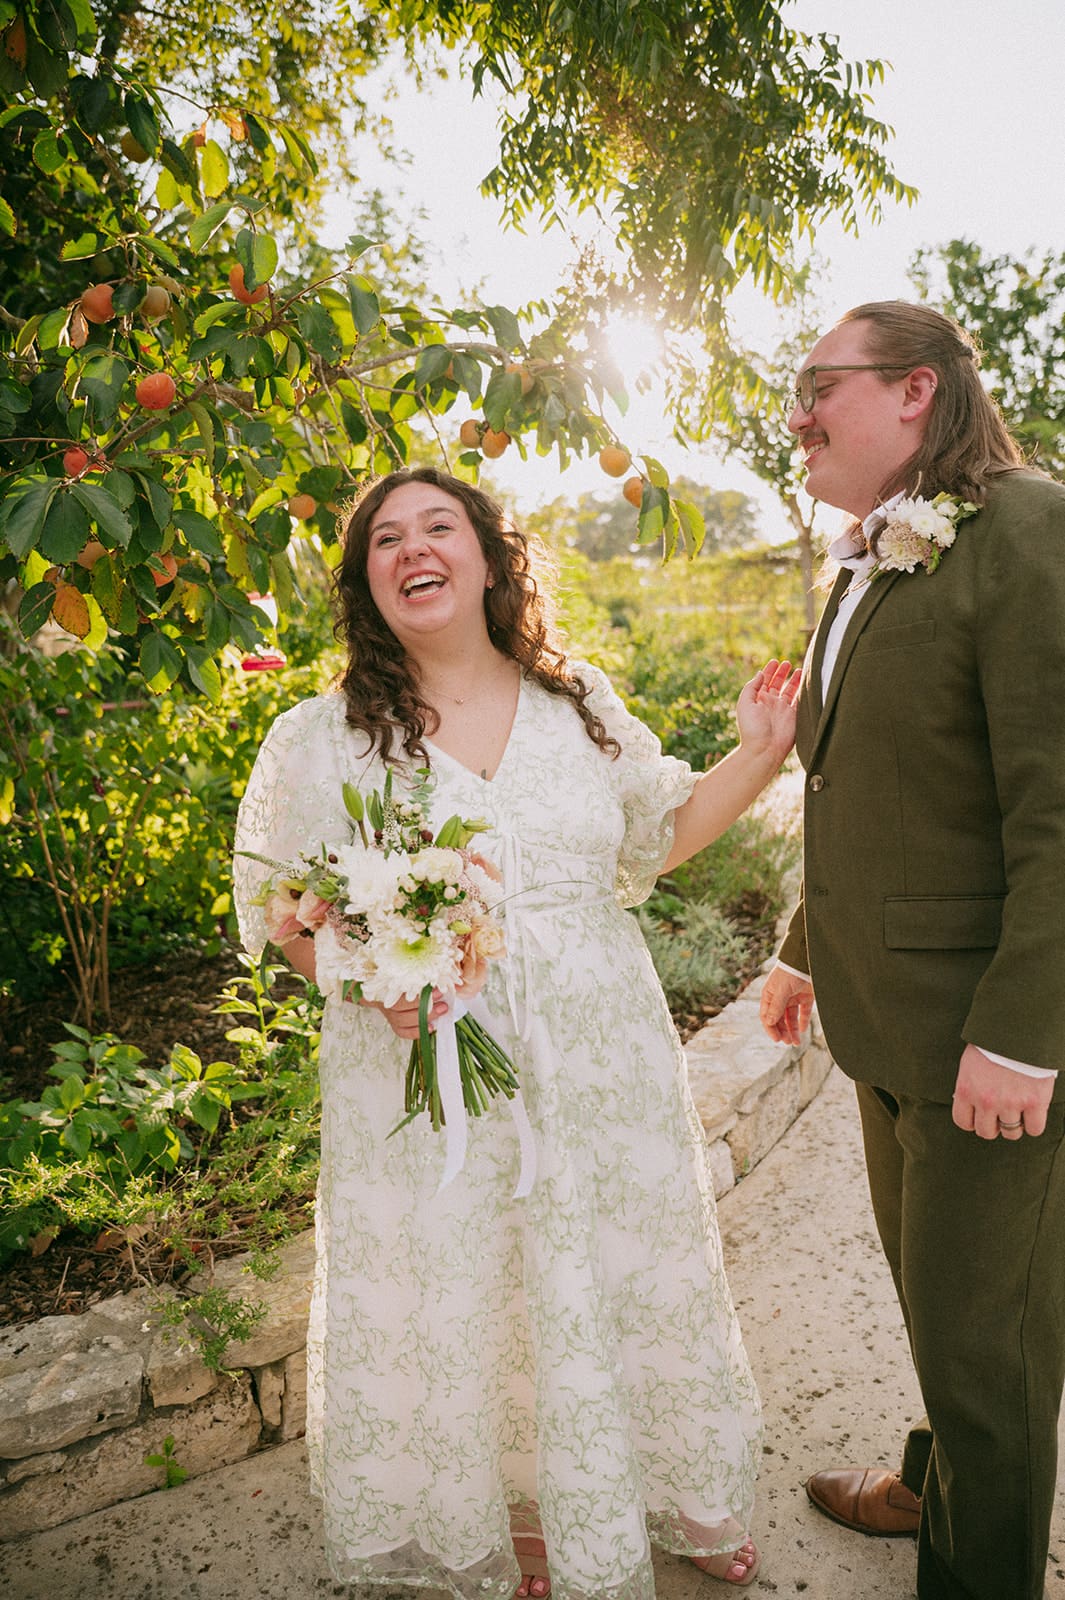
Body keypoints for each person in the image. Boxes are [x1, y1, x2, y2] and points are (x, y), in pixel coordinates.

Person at [234, 465, 800, 1600]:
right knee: (470, 1280)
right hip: (421, 1065)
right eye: (384, 540)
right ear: (367, 584)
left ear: (490, 557)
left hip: (600, 1056)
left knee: (619, 1267)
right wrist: (361, 977)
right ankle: (515, 1519)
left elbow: (655, 835)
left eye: (437, 526)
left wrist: (759, 751)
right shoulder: (323, 736)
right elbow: (278, 904)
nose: (411, 549)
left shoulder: (577, 700)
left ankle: (677, 1496)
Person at [759, 301, 1065, 1600]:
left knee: (989, 1361)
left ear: (913, 391)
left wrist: (1021, 1033)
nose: (793, 415)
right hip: (887, 1036)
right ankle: (926, 1484)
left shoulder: (1026, 530)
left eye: (813, 384)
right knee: (945, 1314)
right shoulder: (866, 556)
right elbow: (862, 784)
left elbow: (1055, 806)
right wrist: (798, 947)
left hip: (981, 1054)